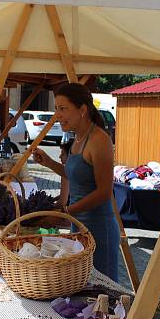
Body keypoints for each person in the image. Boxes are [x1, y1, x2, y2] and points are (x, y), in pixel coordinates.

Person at [33, 83, 119, 281]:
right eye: (56, 109)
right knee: (82, 285)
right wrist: (49, 162)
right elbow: (77, 177)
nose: (58, 115)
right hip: (78, 225)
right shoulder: (78, 138)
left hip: (99, 229)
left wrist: (65, 213)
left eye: (63, 109)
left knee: (101, 289)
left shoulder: (99, 140)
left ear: (82, 110)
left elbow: (104, 192)